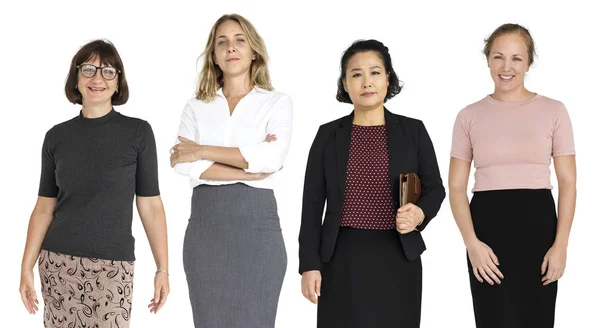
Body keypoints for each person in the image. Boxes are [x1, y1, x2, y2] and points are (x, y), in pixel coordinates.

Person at [18, 39, 169, 328]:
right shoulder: (56, 137)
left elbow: (150, 205)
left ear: (117, 82)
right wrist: (26, 266)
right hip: (57, 263)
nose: (98, 78)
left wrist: (162, 269)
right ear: (75, 78)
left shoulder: (138, 133)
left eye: (108, 71)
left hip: (114, 266)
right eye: (88, 69)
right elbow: (43, 208)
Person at [298, 39, 445, 328]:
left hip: (398, 254)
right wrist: (309, 265)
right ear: (345, 83)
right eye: (356, 74)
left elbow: (435, 188)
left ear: (388, 78)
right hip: (341, 256)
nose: (367, 82)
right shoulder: (328, 135)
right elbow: (312, 204)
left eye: (375, 72)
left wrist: (419, 213)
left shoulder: (413, 130)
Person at [449, 23, 576, 328]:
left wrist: (561, 246)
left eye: (516, 58)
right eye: (498, 57)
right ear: (488, 59)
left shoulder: (554, 111)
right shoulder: (469, 115)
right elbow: (455, 186)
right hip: (487, 234)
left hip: (539, 230)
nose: (506, 67)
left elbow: (568, 182)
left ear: (528, 62)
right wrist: (472, 244)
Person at [169, 14, 292, 328]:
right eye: (221, 42)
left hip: (258, 231)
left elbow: (271, 157)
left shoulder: (276, 103)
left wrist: (202, 150)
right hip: (206, 231)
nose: (230, 48)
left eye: (240, 40)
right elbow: (183, 163)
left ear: (254, 51)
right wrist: (247, 171)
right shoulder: (196, 106)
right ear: (213, 55)